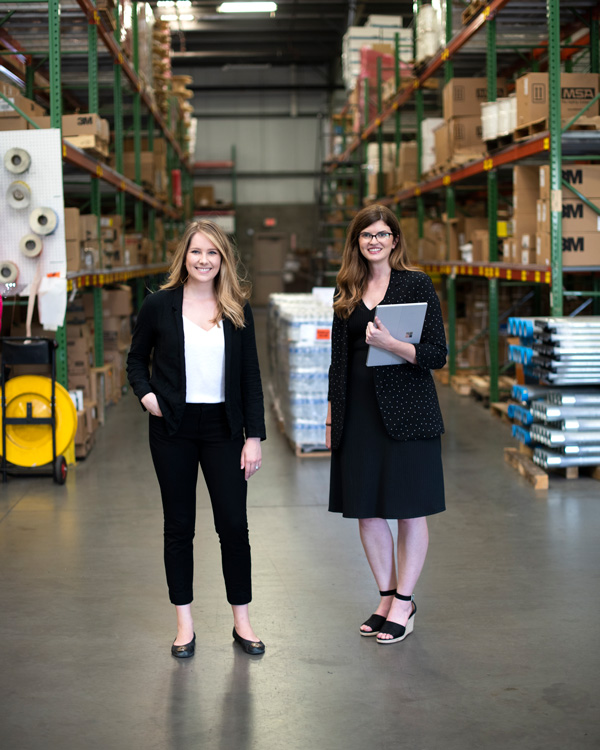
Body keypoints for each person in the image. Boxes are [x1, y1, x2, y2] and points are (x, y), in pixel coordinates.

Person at [127, 220, 267, 657]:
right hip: (172, 429)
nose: (204, 260)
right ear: (183, 258)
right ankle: (184, 625)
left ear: (223, 259)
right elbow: (135, 360)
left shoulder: (237, 308)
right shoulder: (159, 306)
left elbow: (250, 377)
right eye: (196, 252)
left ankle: (242, 623)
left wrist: (254, 437)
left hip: (225, 430)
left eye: (213, 252)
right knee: (179, 527)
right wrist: (148, 396)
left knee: (233, 527)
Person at [326, 204, 447, 645]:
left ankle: (405, 601)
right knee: (368, 509)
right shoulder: (347, 289)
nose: (374, 241)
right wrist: (330, 416)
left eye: (382, 234)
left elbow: (437, 353)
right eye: (365, 235)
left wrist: (392, 344)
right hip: (357, 414)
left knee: (410, 509)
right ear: (356, 242)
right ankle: (387, 595)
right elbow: (338, 362)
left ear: (395, 240)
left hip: (408, 414)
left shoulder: (417, 285)